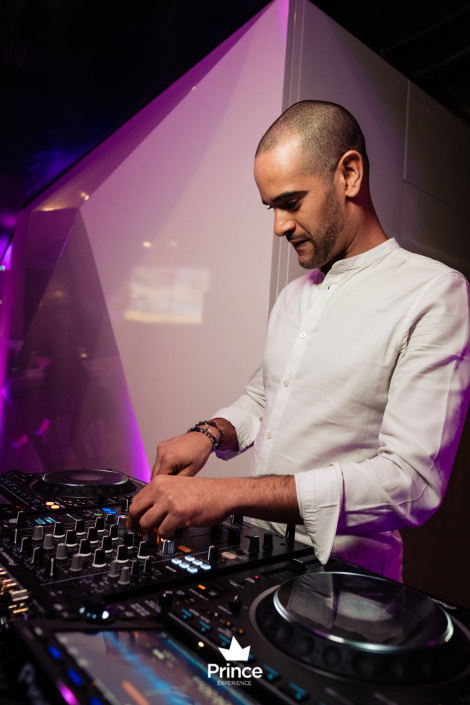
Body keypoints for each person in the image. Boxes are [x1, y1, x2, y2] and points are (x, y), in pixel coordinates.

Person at [128, 100, 470, 581]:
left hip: (345, 582)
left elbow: (411, 483)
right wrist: (208, 434)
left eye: (290, 203)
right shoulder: (293, 295)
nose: (279, 226)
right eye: (272, 207)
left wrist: (226, 494)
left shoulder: (434, 293)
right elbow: (264, 397)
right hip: (257, 557)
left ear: (349, 174)